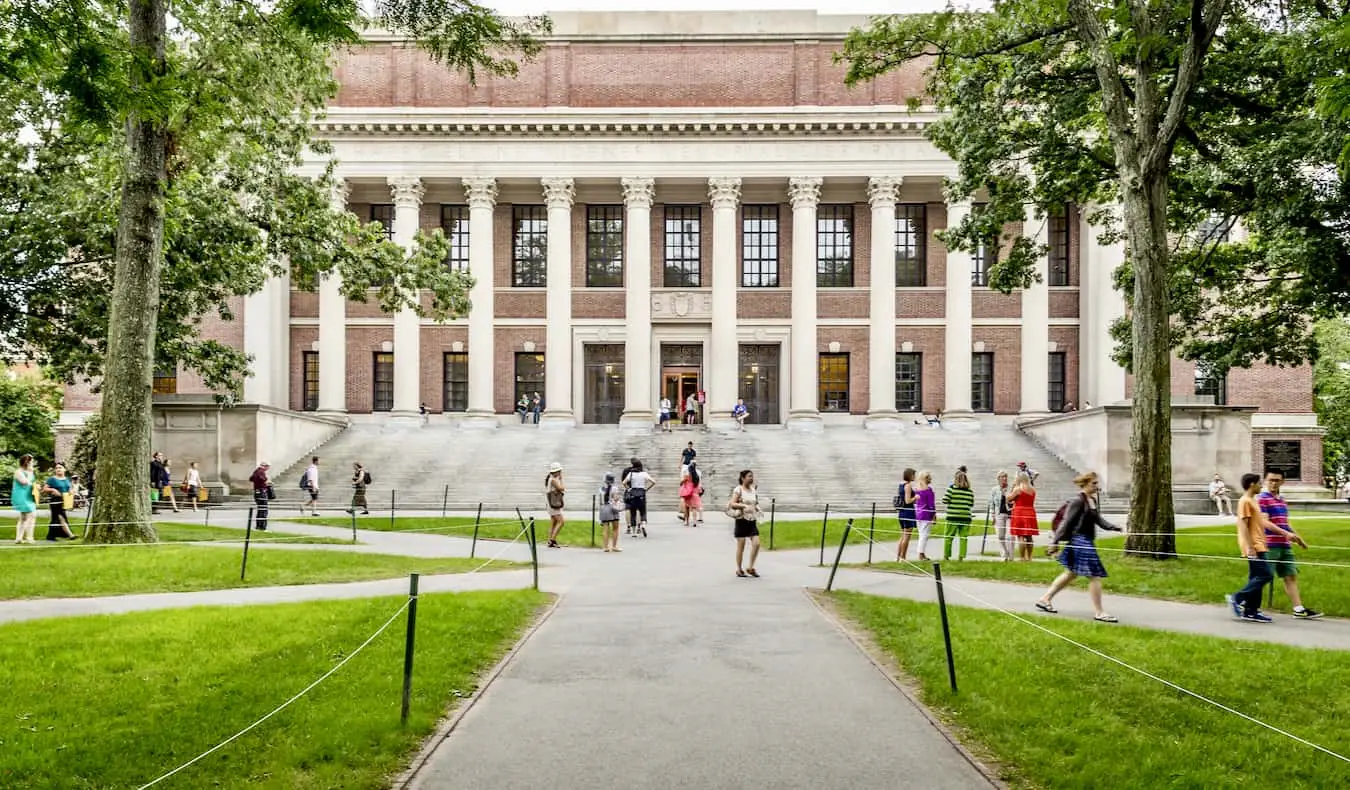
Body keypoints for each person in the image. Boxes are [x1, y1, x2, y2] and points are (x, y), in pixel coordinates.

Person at [1035, 471, 1123, 622]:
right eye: (1094, 483)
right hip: (1080, 541)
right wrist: (1054, 542)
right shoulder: (1077, 501)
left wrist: (1113, 527)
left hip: (1086, 540)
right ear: (1085, 484)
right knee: (1094, 576)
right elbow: (1066, 522)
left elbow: (1098, 519)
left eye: (1097, 483)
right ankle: (1099, 612)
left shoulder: (1091, 500)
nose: (1097, 486)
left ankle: (1045, 599)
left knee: (1071, 573)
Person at [1226, 472, 1289, 622]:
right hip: (1253, 545)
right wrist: (1250, 547)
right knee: (1265, 575)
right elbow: (1244, 526)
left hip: (1260, 543)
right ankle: (1237, 597)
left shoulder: (1253, 500)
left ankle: (1251, 611)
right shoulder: (1245, 501)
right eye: (1259, 483)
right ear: (1252, 484)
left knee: (1256, 577)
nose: (1262, 486)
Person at [1258, 471, 1321, 619]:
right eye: (1271, 480)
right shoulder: (1262, 499)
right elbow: (1265, 522)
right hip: (1270, 544)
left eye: (1277, 480)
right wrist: (1286, 534)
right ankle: (1246, 603)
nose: (1273, 483)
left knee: (1290, 576)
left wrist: (1298, 538)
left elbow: (1284, 523)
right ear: (1266, 481)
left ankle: (1298, 609)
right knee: (1263, 577)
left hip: (1284, 545)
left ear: (1282, 482)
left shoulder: (1281, 500)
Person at [727, 469, 761, 578]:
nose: (751, 478)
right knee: (741, 546)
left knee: (756, 543)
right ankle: (739, 569)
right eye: (749, 476)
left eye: (752, 476)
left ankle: (750, 567)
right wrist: (744, 506)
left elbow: (755, 503)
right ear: (743, 478)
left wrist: (758, 509)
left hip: (751, 520)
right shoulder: (739, 489)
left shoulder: (753, 489)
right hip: (741, 519)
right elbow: (732, 503)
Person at [942, 469, 976, 561]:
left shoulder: (951, 489)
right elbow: (971, 504)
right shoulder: (970, 491)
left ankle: (946, 555)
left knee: (949, 537)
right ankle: (961, 557)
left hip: (953, 517)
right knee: (963, 538)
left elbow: (945, 500)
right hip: (965, 517)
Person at [1008, 471, 1039, 561]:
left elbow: (1008, 499)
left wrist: (1012, 487)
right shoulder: (1032, 489)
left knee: (1020, 536)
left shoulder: (1018, 489)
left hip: (1019, 512)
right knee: (1029, 536)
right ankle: (1029, 557)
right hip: (1030, 512)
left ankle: (1022, 557)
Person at [43, 462, 77, 540]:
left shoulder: (67, 479)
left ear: (64, 469)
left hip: (64, 500)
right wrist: (52, 489)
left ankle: (51, 535)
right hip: (55, 500)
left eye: (60, 467)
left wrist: (71, 491)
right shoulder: (52, 479)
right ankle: (70, 535)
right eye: (57, 468)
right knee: (61, 517)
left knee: (55, 518)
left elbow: (70, 488)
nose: (58, 469)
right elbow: (45, 489)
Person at [623, 460, 655, 538]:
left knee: (633, 512)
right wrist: (646, 489)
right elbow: (653, 481)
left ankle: (634, 532)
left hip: (633, 492)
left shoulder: (631, 474)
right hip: (642, 493)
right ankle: (643, 525)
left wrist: (629, 489)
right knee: (642, 511)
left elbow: (624, 482)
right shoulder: (644, 474)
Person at [12, 455, 38, 544]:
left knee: (23, 518)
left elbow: (31, 483)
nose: (33, 463)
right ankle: (29, 537)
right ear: (27, 462)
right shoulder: (18, 472)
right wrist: (30, 473)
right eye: (32, 461)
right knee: (31, 515)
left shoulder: (29, 471)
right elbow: (25, 482)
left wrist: (36, 486)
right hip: (22, 496)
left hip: (29, 496)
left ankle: (19, 538)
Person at [912, 470, 937, 561]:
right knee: (924, 535)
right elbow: (931, 505)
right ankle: (921, 554)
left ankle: (921, 553)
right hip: (926, 514)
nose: (931, 478)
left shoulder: (917, 489)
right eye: (929, 477)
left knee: (921, 534)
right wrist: (934, 516)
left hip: (918, 513)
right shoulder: (928, 490)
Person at [990, 470, 1013, 561]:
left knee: (1010, 536)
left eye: (1005, 476)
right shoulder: (994, 490)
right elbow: (991, 504)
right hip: (999, 514)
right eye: (1002, 477)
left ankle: (1010, 556)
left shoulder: (1011, 488)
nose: (1004, 478)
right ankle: (1004, 554)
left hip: (1010, 515)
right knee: (1000, 536)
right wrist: (993, 515)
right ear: (998, 479)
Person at [895, 468, 917, 561]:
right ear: (910, 475)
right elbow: (908, 500)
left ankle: (898, 557)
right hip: (908, 512)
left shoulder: (901, 485)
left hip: (902, 512)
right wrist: (916, 497)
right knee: (907, 536)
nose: (914, 477)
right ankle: (903, 558)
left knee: (903, 536)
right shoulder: (908, 485)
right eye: (913, 475)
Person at [598, 472, 624, 552]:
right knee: (615, 528)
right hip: (612, 508)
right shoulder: (614, 488)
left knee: (605, 528)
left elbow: (600, 501)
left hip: (603, 508)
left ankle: (605, 547)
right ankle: (614, 546)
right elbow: (615, 499)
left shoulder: (601, 488)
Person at [544, 462, 566, 548]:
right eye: (559, 471)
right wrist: (561, 479)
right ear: (556, 472)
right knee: (561, 521)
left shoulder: (551, 479)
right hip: (553, 504)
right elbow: (561, 488)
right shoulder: (553, 480)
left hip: (550, 503)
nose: (560, 473)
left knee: (553, 522)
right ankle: (552, 540)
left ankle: (550, 540)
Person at [250, 461, 272, 531]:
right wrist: (267, 482)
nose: (268, 468)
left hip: (257, 492)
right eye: (267, 467)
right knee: (263, 510)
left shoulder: (256, 471)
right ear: (264, 466)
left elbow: (251, 478)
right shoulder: (260, 472)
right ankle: (262, 527)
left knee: (260, 510)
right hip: (261, 492)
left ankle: (258, 526)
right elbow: (262, 479)